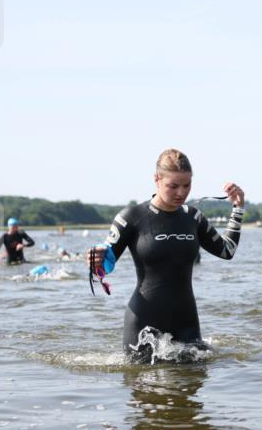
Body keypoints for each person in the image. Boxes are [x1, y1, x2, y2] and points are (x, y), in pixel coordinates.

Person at [87, 149, 245, 361]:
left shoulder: (193, 217)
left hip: (187, 322)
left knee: (191, 388)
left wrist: (238, 208)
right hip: (144, 323)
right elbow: (103, 266)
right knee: (145, 389)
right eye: (173, 186)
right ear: (157, 180)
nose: (181, 193)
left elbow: (227, 251)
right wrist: (95, 260)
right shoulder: (132, 217)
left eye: (187, 185)